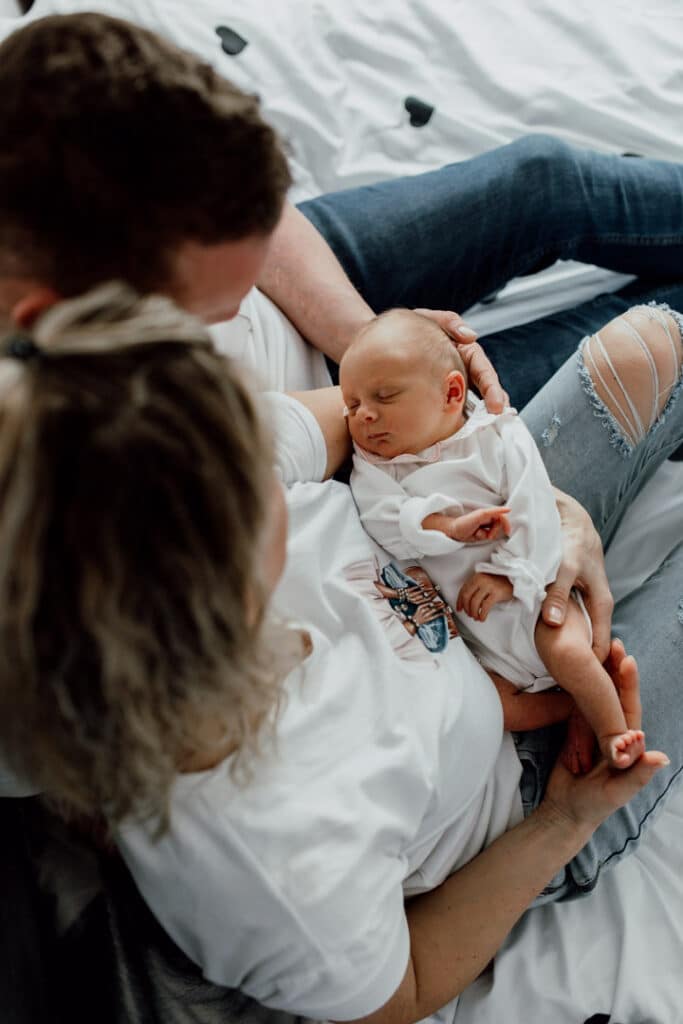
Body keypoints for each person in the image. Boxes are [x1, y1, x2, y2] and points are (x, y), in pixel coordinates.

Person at [0, 12, 682, 1024]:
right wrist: (566, 817)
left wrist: (541, 505)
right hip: (532, 773)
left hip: (451, 564)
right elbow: (396, 987)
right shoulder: (276, 869)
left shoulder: (123, 464)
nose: (275, 445)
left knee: (642, 342)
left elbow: (311, 430)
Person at [340, 307, 683, 771]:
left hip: (533, 596)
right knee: (505, 710)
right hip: (480, 649)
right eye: (352, 404)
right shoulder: (377, 468)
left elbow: (535, 508)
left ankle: (610, 730)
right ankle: (574, 707)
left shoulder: (497, 436)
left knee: (568, 652)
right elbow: (382, 516)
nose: (364, 415)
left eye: (383, 396)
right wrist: (443, 527)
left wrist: (508, 575)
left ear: (452, 393)